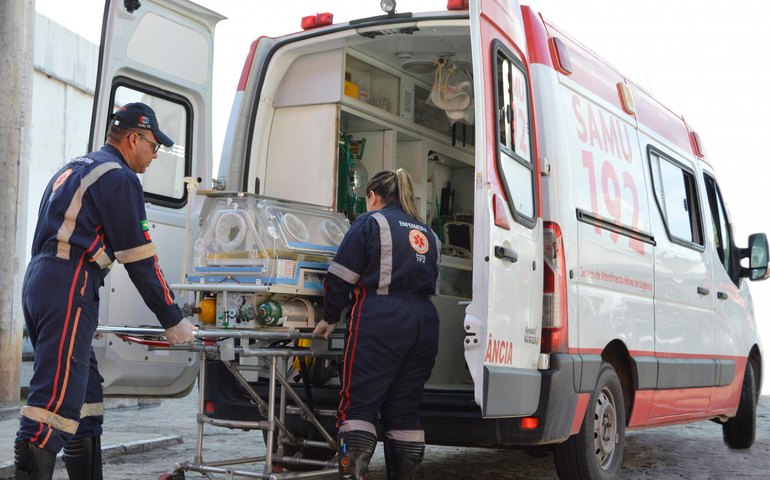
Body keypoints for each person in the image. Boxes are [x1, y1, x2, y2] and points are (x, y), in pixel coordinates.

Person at [14, 102, 198, 480]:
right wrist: (172, 318)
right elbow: (141, 260)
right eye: (153, 146)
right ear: (134, 138)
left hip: (43, 279)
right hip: (69, 283)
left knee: (85, 398)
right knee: (52, 405)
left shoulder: (76, 166)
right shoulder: (119, 177)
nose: (154, 155)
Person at [314, 169, 441, 480]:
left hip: (382, 317)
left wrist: (330, 317)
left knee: (358, 405)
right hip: (425, 322)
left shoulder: (372, 222)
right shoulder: (428, 233)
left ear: (372, 196)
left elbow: (341, 276)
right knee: (404, 408)